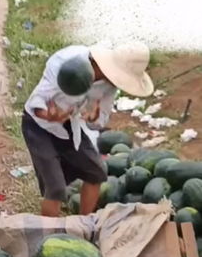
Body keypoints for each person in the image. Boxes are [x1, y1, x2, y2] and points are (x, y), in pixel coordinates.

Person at [22, 42, 154, 218]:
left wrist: (92, 118)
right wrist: (48, 115)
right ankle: (49, 232)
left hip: (69, 125)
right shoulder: (67, 63)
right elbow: (38, 101)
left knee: (96, 172)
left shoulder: (109, 84)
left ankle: (84, 223)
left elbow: (101, 118)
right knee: (55, 188)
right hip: (38, 125)